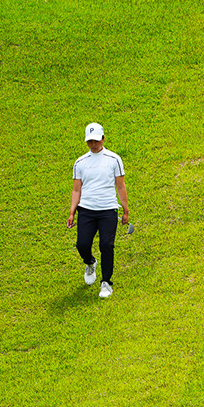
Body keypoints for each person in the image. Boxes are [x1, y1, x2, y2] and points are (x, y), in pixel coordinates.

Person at [67, 122, 129, 298]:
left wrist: (125, 210)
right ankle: (90, 262)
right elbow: (76, 189)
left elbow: (120, 186)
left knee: (106, 245)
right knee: (82, 244)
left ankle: (106, 283)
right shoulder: (80, 162)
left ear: (103, 139)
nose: (93, 144)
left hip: (108, 209)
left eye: (96, 140)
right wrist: (72, 212)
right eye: (90, 141)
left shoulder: (114, 159)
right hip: (86, 210)